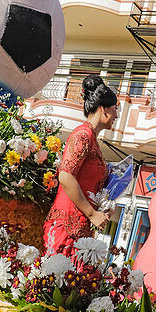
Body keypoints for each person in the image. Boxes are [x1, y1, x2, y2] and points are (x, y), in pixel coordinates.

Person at [43, 76, 119, 256]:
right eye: (115, 109)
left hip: (80, 225)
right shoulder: (83, 135)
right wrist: (92, 214)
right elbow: (66, 175)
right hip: (67, 224)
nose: (116, 115)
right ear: (104, 110)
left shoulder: (92, 140)